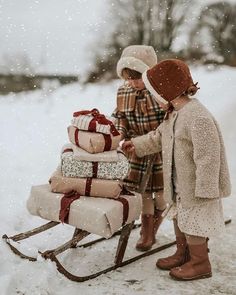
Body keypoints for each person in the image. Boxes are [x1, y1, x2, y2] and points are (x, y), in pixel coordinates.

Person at [122, 59, 231, 280]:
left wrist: (206, 188)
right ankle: (183, 253)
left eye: (155, 93)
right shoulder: (173, 114)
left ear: (166, 90)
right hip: (179, 184)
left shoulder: (197, 117)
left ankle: (200, 263)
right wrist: (138, 144)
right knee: (180, 219)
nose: (153, 98)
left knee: (194, 225)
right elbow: (159, 136)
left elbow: (209, 156)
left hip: (197, 189)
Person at [112, 45, 166, 251]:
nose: (133, 83)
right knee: (141, 192)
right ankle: (147, 231)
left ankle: (157, 220)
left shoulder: (162, 92)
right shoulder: (124, 91)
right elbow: (120, 117)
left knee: (162, 194)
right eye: (128, 78)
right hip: (134, 150)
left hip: (159, 149)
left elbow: (170, 121)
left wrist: (154, 140)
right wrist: (118, 133)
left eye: (137, 77)